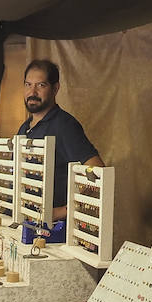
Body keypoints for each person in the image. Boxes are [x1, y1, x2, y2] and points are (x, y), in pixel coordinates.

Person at [16, 58, 103, 225]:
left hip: (56, 231)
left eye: (41, 85)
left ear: (55, 88)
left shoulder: (64, 126)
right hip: (29, 224)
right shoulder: (25, 128)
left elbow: (98, 172)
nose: (32, 92)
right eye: (28, 85)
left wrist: (61, 211)